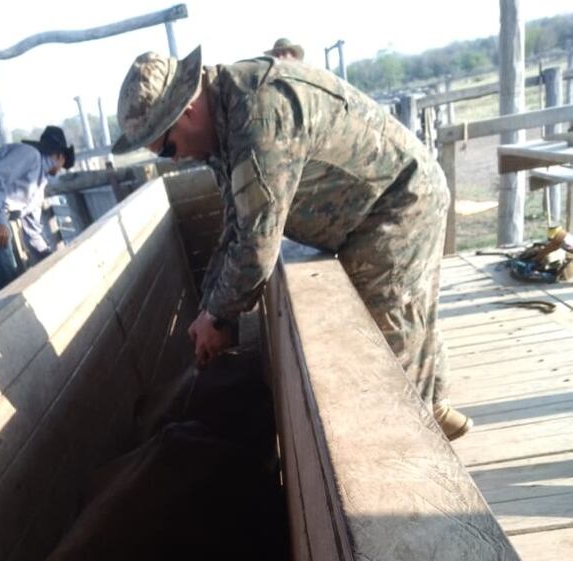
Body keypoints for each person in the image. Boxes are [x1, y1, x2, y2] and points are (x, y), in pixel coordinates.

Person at [112, 48, 472, 440]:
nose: (176, 159)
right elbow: (236, 223)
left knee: (387, 343)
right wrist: (212, 312)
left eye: (168, 148)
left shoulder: (256, 117)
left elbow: (256, 244)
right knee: (408, 318)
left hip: (396, 205)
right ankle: (435, 411)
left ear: (187, 110)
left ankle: (414, 454)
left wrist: (218, 315)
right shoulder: (225, 119)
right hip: (369, 214)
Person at [0, 125, 75, 291]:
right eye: (63, 163)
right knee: (9, 283)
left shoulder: (38, 188)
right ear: (59, 156)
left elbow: (32, 233)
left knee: (10, 278)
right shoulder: (30, 155)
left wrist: (49, 258)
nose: (60, 169)